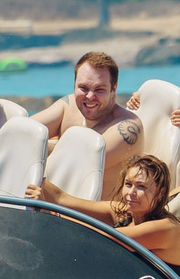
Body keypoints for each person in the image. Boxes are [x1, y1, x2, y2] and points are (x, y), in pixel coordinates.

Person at [29, 152, 180, 275]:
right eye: (128, 184)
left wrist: (50, 214)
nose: (131, 192)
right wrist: (33, 173)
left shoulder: (166, 228)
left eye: (141, 187)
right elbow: (61, 198)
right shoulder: (124, 213)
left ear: (160, 193)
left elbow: (97, 239)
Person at [30, 51, 142, 197]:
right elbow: (25, 131)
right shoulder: (68, 106)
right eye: (83, 88)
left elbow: (79, 160)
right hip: (52, 204)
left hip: (94, 211)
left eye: (99, 90)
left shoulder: (127, 128)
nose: (90, 96)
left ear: (113, 89)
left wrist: (41, 145)